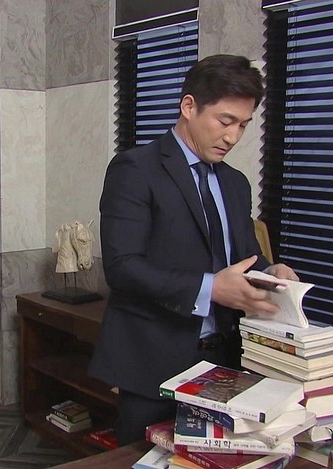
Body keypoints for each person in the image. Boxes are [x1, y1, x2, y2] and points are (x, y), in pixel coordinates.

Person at [87, 54, 300, 446]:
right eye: (225, 121)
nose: (233, 137)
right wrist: (210, 288)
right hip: (154, 363)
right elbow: (122, 267)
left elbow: (246, 256)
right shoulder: (135, 169)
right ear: (189, 106)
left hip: (227, 360)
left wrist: (271, 272)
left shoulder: (236, 183)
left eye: (243, 124)